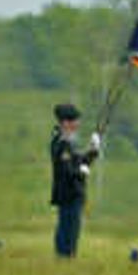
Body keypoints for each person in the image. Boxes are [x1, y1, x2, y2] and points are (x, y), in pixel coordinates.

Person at [49, 103, 100, 259]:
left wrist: (93, 151)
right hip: (68, 194)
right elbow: (68, 171)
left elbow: (80, 162)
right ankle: (65, 258)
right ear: (65, 123)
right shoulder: (62, 144)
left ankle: (66, 258)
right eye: (74, 121)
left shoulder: (66, 142)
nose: (77, 124)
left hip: (72, 194)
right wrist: (80, 173)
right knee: (68, 229)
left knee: (71, 229)